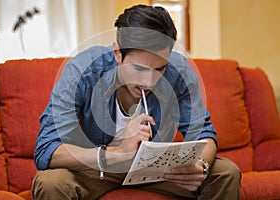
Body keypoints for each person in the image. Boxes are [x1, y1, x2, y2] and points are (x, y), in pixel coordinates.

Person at [32, 4, 241, 200]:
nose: (148, 82)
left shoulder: (179, 71)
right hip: (96, 169)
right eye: (139, 69)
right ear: (117, 54)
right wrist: (117, 152)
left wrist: (200, 165)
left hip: (154, 168)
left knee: (226, 173)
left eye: (160, 69)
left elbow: (204, 132)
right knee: (50, 183)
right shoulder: (82, 71)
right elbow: (47, 149)